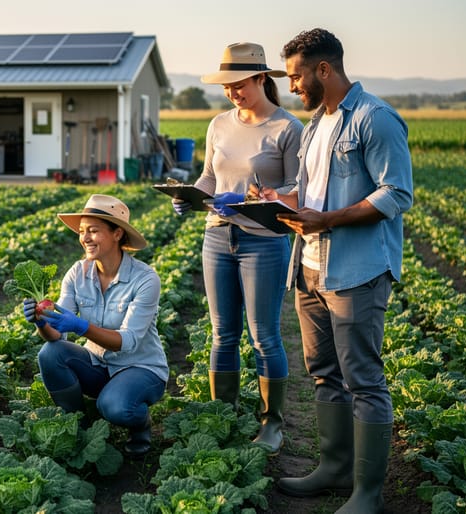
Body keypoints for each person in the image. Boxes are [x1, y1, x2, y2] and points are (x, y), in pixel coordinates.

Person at [264, 29, 413, 514]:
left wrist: (327, 220)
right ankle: (333, 469)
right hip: (309, 268)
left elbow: (396, 194)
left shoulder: (376, 119)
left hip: (357, 272)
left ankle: (367, 494)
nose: (292, 88)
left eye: (296, 76)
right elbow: (310, 199)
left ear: (323, 70)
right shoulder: (314, 126)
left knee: (364, 381)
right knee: (324, 374)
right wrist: (271, 204)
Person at [171, 42, 303, 454]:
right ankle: (222, 414)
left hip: (263, 241)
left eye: (240, 84)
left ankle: (272, 424)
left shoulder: (287, 128)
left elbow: (300, 191)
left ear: (262, 78)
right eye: (227, 86)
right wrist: (191, 194)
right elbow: (211, 177)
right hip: (217, 235)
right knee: (222, 334)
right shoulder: (219, 124)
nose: (233, 93)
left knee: (264, 336)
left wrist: (263, 197)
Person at [23, 194, 168, 457]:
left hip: (141, 366)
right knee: (50, 354)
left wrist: (82, 326)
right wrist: (40, 321)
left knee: (115, 407)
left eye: (93, 231)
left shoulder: (145, 279)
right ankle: (77, 425)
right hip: (98, 363)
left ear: (117, 233)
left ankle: (140, 422)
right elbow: (57, 335)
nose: (85, 238)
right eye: (81, 232)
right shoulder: (78, 273)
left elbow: (128, 341)